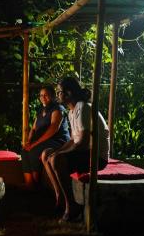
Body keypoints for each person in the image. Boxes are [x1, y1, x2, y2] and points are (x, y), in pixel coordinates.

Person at [41, 77, 110, 222]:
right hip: (84, 152)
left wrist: (59, 154)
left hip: (96, 157)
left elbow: (84, 142)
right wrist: (57, 151)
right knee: (46, 153)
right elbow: (73, 140)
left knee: (56, 159)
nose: (58, 94)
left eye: (60, 91)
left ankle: (71, 207)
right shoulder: (72, 112)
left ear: (69, 93)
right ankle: (60, 197)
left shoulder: (83, 107)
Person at [21, 85, 70, 190]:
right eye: (41, 95)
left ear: (52, 96)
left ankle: (36, 184)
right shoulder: (41, 111)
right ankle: (29, 183)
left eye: (46, 95)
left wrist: (35, 143)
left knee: (34, 150)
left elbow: (53, 128)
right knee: (24, 151)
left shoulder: (58, 109)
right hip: (43, 141)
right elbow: (33, 129)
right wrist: (29, 142)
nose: (43, 97)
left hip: (57, 141)